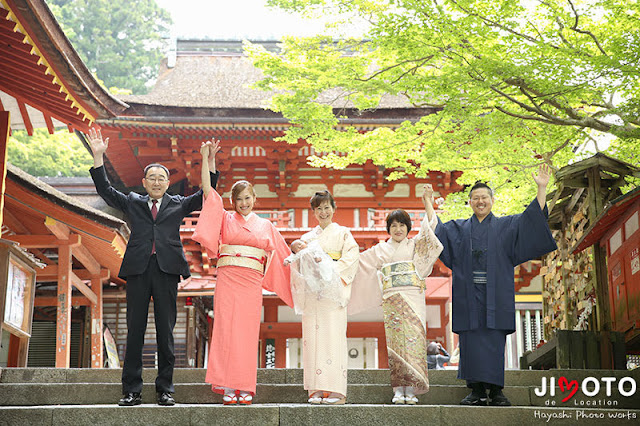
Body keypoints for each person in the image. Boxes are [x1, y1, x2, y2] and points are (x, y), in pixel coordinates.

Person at [87, 128, 219, 406]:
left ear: (168, 182)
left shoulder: (178, 204)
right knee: (135, 328)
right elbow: (105, 191)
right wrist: (99, 156)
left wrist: (209, 162)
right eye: (152, 179)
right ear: (144, 182)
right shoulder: (133, 201)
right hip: (138, 269)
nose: (157, 182)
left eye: (162, 178)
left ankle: (165, 390)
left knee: (165, 330)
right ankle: (132, 390)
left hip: (167, 270)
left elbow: (207, 194)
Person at [428, 165, 557, 406]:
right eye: (475, 198)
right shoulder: (458, 228)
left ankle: (496, 391)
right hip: (469, 294)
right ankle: (476, 391)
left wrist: (542, 188)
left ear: (492, 201)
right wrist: (428, 202)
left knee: (494, 342)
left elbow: (533, 220)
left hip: (495, 293)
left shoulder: (507, 225)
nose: (480, 201)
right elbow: (438, 232)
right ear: (469, 202)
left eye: (484, 198)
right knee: (471, 343)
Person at [192, 141, 293, 405]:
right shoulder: (225, 219)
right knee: (225, 329)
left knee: (247, 333)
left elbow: (283, 256)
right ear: (233, 202)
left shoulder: (266, 225)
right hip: (227, 278)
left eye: (248, 198)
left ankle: (245, 386)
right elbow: (208, 191)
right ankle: (227, 385)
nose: (244, 203)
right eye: (239, 200)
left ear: (254, 199)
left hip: (250, 281)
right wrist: (207, 159)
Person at [350, 185, 443, 405]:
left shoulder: (414, 245)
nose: (398, 229)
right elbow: (356, 263)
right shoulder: (380, 250)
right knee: (396, 346)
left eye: (402, 225)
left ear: (408, 227)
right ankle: (398, 389)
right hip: (392, 299)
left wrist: (427, 201)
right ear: (388, 229)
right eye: (393, 225)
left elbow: (430, 229)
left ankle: (411, 389)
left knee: (414, 343)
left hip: (413, 297)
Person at [289, 190, 359, 405]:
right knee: (313, 340)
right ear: (313, 212)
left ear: (334, 208)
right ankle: (316, 389)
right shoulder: (308, 238)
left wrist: (330, 273)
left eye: (326, 207)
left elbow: (352, 257)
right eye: (318, 208)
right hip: (313, 294)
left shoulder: (344, 233)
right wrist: (296, 252)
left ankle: (337, 391)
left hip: (333, 293)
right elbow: (297, 261)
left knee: (333, 340)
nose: (323, 212)